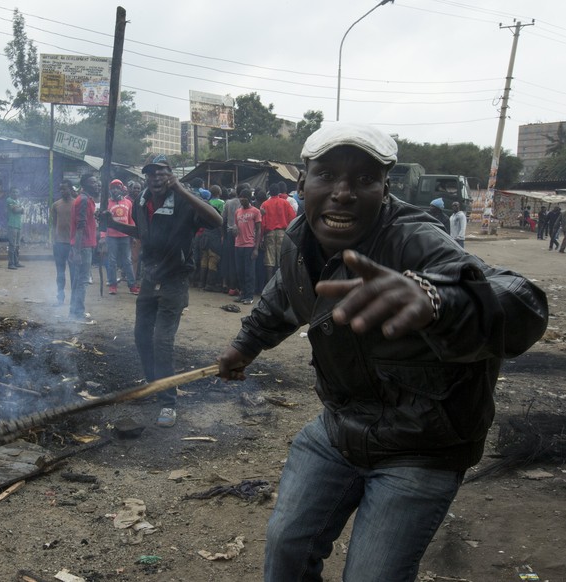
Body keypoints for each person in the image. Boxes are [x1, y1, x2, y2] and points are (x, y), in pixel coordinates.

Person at [216, 122, 548, 582]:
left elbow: (520, 301)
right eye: (327, 175)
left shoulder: (415, 238)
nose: (343, 193)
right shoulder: (299, 238)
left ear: (384, 187)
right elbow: (283, 295)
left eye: (364, 180)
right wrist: (244, 346)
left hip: (425, 443)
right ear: (301, 182)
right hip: (340, 426)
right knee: (286, 545)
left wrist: (437, 301)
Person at [104, 154, 222, 428]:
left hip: (175, 281)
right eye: (151, 173)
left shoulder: (184, 200)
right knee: (141, 336)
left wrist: (181, 189)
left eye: (161, 173)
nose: (155, 178)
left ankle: (168, 403)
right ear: (145, 177)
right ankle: (152, 386)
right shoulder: (141, 201)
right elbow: (143, 235)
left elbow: (216, 221)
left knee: (162, 340)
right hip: (150, 277)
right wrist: (113, 224)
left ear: (171, 175)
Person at [69, 173, 98, 320]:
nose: (96, 184)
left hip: (84, 245)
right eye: (93, 182)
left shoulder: (86, 199)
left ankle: (74, 311)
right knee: (82, 280)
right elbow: (80, 226)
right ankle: (78, 313)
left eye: (96, 182)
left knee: (78, 280)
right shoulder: (84, 200)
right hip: (83, 246)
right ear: (85, 184)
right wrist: (78, 251)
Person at [105, 179, 138, 295]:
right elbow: (103, 222)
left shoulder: (128, 203)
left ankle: (132, 285)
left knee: (127, 261)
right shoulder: (107, 203)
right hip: (111, 236)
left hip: (125, 236)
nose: (115, 190)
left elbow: (131, 219)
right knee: (112, 261)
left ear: (121, 189)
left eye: (117, 187)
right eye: (113, 188)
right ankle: (113, 285)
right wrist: (103, 236)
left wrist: (133, 235)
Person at [259, 182, 296, 281]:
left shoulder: (265, 204)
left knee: (269, 260)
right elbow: (292, 217)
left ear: (270, 193)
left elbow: (262, 222)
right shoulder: (285, 203)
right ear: (278, 192)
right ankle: (281, 283)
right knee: (281, 259)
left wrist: (261, 237)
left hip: (269, 233)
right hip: (282, 233)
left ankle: (269, 285)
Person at [233, 189, 262, 305]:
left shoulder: (255, 211)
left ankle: (249, 296)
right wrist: (234, 231)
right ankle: (242, 294)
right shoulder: (237, 212)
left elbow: (259, 230)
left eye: (243, 197)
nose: (241, 199)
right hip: (238, 244)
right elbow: (236, 226)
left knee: (249, 272)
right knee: (240, 271)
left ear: (249, 198)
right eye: (240, 197)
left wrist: (256, 248)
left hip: (250, 245)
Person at [51, 179, 76, 306]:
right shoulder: (56, 205)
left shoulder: (76, 204)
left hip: (72, 244)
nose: (62, 191)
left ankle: (74, 300)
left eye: (64, 189)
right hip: (60, 243)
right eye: (60, 189)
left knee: (74, 273)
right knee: (60, 273)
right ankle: (60, 297)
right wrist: (53, 240)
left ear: (71, 189)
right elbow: (53, 224)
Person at [6, 187, 24, 269]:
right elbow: (15, 210)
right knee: (12, 245)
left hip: (18, 225)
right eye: (13, 192)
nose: (15, 194)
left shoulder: (17, 201)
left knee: (17, 245)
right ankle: (11, 264)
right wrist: (21, 208)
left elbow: (21, 211)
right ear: (10, 193)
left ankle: (16, 262)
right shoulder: (9, 200)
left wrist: (20, 209)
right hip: (12, 225)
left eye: (17, 192)